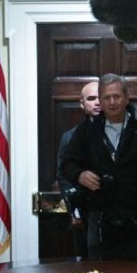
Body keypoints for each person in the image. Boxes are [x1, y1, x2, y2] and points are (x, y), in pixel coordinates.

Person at [59, 73, 137, 260]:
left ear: (127, 98)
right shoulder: (87, 129)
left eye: (116, 96)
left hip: (136, 217)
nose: (112, 102)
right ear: (100, 101)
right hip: (99, 218)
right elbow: (66, 165)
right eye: (106, 97)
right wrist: (80, 175)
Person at [56, 81, 101, 258]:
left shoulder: (125, 132)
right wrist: (74, 212)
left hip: (118, 216)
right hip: (84, 213)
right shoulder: (70, 137)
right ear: (82, 103)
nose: (97, 102)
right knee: (87, 269)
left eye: (100, 97)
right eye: (91, 98)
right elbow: (63, 176)